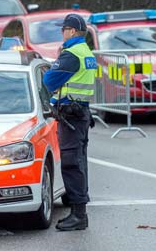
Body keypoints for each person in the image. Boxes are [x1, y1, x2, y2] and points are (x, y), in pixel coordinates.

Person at [43, 13, 96, 231]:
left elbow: (49, 80)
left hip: (72, 116)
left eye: (63, 30)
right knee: (79, 162)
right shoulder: (86, 52)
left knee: (71, 164)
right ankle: (80, 206)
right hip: (81, 113)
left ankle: (78, 215)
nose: (61, 33)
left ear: (72, 31)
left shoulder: (71, 54)